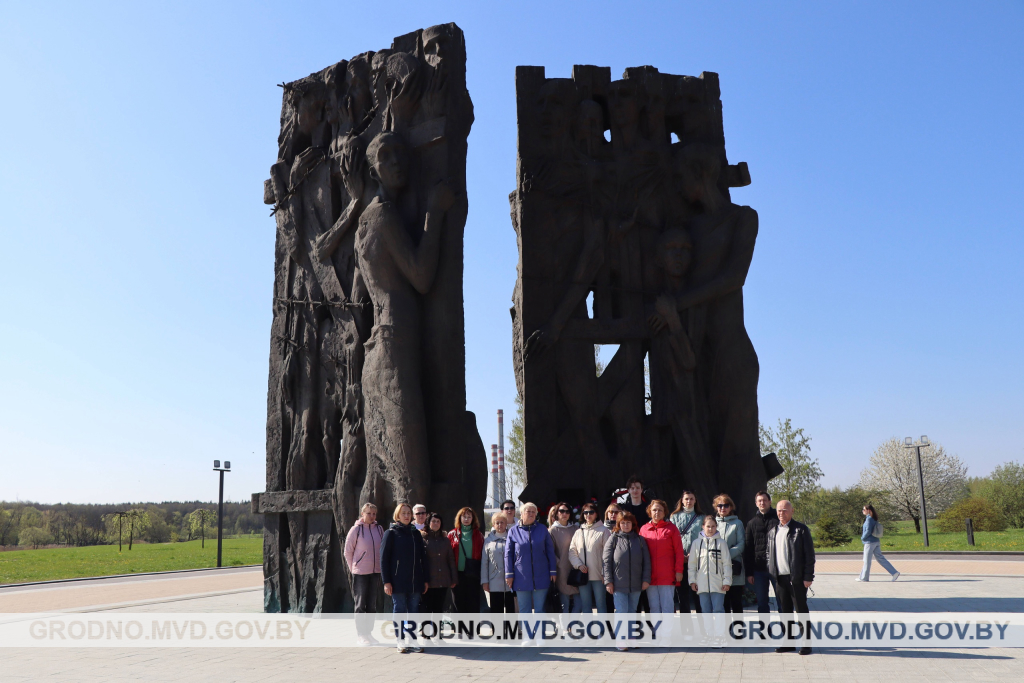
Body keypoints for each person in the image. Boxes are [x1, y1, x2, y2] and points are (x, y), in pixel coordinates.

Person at [766, 500, 815, 655]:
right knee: (785, 612)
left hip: (797, 579)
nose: (782, 513)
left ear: (792, 511)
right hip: (779, 579)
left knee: (801, 611)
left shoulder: (801, 530)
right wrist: (771, 570)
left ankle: (806, 644)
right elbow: (768, 554)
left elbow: (809, 555)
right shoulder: (773, 531)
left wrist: (808, 576)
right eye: (779, 510)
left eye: (785, 510)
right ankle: (788, 642)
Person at [379, 502, 427, 653]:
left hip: (415, 580)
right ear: (397, 515)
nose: (406, 516)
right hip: (397, 580)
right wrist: (386, 581)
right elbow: (384, 559)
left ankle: (412, 639)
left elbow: (423, 558)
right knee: (399, 609)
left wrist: (425, 579)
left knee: (413, 610)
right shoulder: (391, 533)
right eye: (403, 513)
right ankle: (400, 640)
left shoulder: (415, 533)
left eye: (408, 513)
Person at [603, 512, 650, 650]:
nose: (625, 525)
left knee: (632, 611)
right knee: (621, 611)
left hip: (636, 583)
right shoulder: (613, 539)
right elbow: (606, 562)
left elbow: (647, 562)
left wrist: (646, 579)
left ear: (633, 524)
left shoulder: (640, 540)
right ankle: (620, 639)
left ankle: (631, 637)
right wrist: (608, 581)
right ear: (618, 524)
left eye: (628, 522)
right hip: (618, 584)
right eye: (622, 523)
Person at [504, 502, 558, 614]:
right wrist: (509, 574)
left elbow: (550, 551)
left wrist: (553, 571)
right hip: (521, 577)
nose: (531, 514)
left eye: (534, 512)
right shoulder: (513, 531)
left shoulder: (542, 529)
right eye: (528, 511)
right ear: (521, 513)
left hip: (541, 575)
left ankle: (539, 627)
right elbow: (508, 554)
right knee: (524, 610)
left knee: (540, 610)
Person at [344, 502, 384, 645]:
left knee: (372, 604)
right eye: (369, 513)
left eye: (374, 514)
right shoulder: (356, 529)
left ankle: (369, 633)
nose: (372, 516)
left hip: (375, 572)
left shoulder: (379, 529)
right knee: (360, 604)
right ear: (362, 514)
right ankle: (361, 634)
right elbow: (348, 551)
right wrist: (354, 568)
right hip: (360, 573)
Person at [639, 499, 685, 613]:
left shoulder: (672, 528)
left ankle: (667, 626)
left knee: (667, 607)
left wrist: (679, 571)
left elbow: (679, 551)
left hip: (667, 575)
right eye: (654, 510)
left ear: (664, 512)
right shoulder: (644, 529)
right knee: (654, 608)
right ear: (650, 511)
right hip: (650, 576)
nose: (657, 512)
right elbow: (640, 553)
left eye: (660, 510)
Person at [569, 502, 612, 613]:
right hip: (583, 574)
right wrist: (579, 565)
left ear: (596, 514)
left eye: (591, 512)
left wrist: (605, 573)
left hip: (599, 575)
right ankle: (589, 625)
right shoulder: (578, 532)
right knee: (585, 604)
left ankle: (601, 625)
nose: (588, 515)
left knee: (601, 604)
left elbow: (608, 554)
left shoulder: (604, 530)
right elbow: (572, 552)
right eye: (585, 512)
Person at [687, 515, 732, 613]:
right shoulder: (696, 543)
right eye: (708, 526)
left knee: (718, 610)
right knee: (705, 611)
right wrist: (692, 581)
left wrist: (727, 581)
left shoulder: (721, 543)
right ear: (703, 526)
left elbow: (727, 563)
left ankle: (720, 625)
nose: (710, 529)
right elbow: (692, 565)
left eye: (713, 526)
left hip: (718, 584)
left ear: (716, 527)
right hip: (701, 584)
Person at [744, 490, 779, 613]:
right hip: (759, 570)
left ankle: (786, 625)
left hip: (777, 569)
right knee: (762, 604)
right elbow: (748, 549)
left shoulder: (778, 520)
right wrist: (749, 573)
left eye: (764, 500)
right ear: (756, 503)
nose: (762, 503)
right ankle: (764, 626)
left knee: (782, 602)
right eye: (759, 501)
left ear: (770, 502)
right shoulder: (751, 523)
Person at [670, 491, 703, 613]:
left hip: (697, 560)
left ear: (695, 500)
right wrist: (680, 555)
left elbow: (704, 538)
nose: (689, 501)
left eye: (691, 499)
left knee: (698, 593)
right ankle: (686, 624)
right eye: (686, 499)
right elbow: (671, 538)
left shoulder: (701, 517)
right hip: (680, 560)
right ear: (682, 501)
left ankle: (702, 623)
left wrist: (694, 553)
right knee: (682, 595)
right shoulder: (674, 517)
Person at [448, 507, 484, 613]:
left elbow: (483, 555)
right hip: (457, 574)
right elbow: (448, 555)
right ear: (460, 518)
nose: (466, 519)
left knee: (473, 603)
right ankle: (460, 624)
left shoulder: (478, 535)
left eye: (469, 517)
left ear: (473, 519)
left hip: (473, 574)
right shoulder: (452, 534)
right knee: (458, 603)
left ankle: (472, 624)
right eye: (464, 516)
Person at [714, 494, 746, 613]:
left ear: (731, 507)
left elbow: (741, 543)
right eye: (720, 505)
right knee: (723, 603)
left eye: (726, 505)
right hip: (717, 568)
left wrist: (726, 556)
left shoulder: (737, 523)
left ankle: (738, 625)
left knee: (736, 602)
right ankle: (726, 625)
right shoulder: (712, 524)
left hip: (734, 566)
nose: (723, 508)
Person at [549, 502, 581, 613]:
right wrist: (559, 564)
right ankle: (565, 624)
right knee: (564, 604)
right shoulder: (552, 531)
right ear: (556, 513)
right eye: (561, 511)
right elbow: (550, 552)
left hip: (576, 569)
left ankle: (574, 622)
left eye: (567, 511)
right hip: (561, 570)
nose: (564, 514)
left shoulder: (576, 528)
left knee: (579, 603)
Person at [421, 512, 456, 613]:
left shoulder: (445, 540)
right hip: (428, 581)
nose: (435, 523)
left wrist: (454, 578)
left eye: (438, 521)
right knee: (426, 609)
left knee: (438, 609)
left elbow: (450, 559)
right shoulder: (423, 539)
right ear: (428, 523)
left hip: (443, 580)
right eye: (433, 521)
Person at [482, 512, 516, 612]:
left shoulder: (513, 538)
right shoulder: (488, 540)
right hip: (494, 581)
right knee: (496, 610)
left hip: (511, 581)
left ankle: (511, 624)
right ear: (493, 524)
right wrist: (485, 581)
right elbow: (485, 562)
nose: (500, 525)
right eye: (497, 523)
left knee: (511, 609)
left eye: (502, 522)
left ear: (506, 524)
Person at [857, 504, 899, 582]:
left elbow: (868, 531)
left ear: (869, 510)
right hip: (876, 541)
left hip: (869, 542)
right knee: (880, 559)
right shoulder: (874, 518)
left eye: (864, 509)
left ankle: (864, 578)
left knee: (867, 560)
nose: (863, 511)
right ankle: (894, 572)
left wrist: (862, 538)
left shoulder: (869, 519)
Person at [602, 503, 622, 612]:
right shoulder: (601, 529)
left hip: (619, 567)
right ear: (607, 514)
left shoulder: (623, 527)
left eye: (616, 512)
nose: (613, 514)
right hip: (606, 567)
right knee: (608, 599)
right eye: (611, 512)